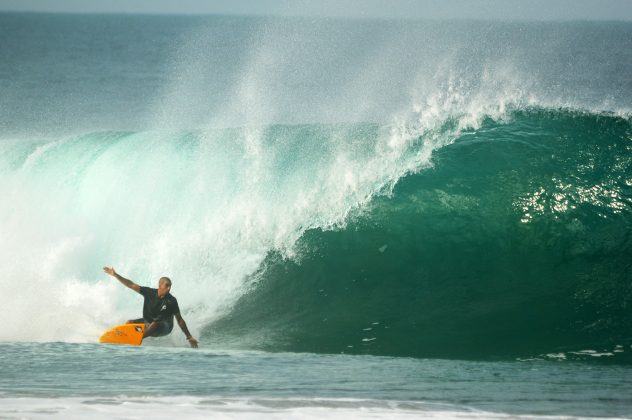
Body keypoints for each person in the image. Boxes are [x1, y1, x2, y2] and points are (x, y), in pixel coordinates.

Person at [103, 266, 199, 348]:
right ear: (160, 285)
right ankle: (122, 339)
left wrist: (189, 337)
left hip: (165, 327)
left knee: (154, 324)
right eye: (167, 286)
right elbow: (131, 284)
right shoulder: (149, 292)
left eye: (170, 286)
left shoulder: (171, 301)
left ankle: (136, 339)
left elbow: (180, 320)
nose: (169, 288)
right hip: (149, 322)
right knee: (130, 322)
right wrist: (115, 275)